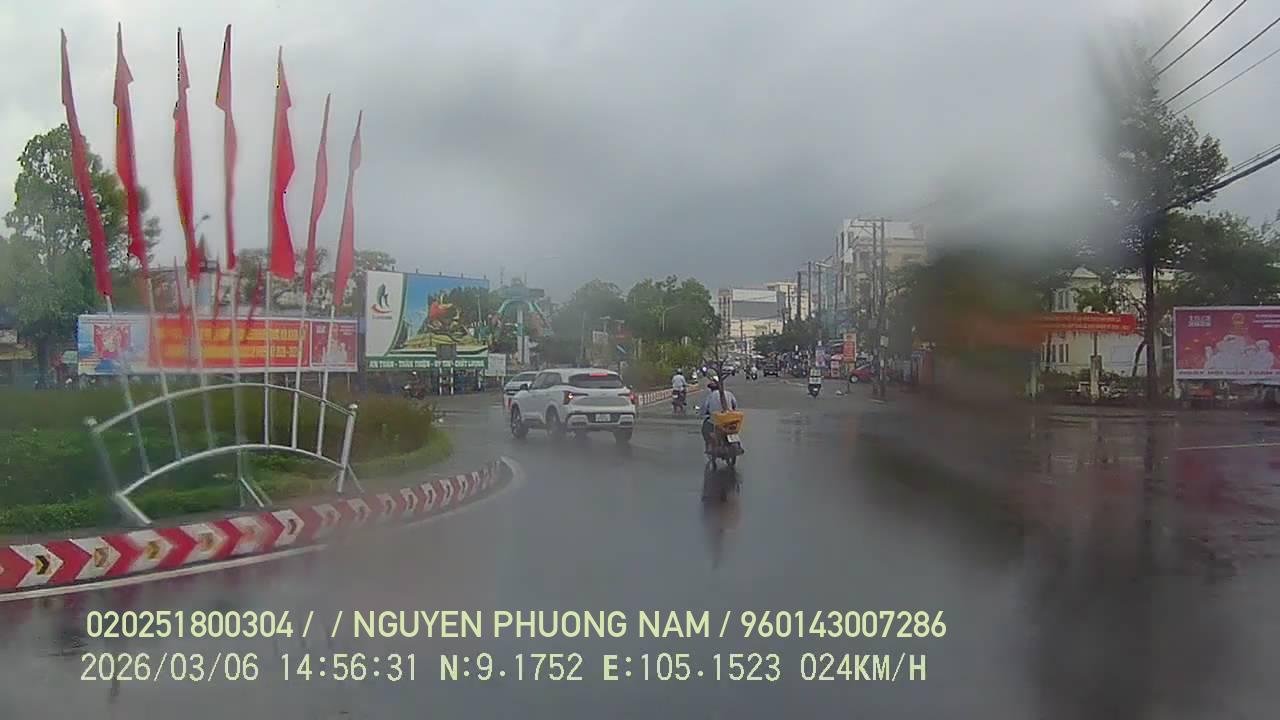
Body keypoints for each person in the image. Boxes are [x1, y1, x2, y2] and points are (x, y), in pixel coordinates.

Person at [701, 376, 738, 450]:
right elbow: (734, 405)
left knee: (705, 428)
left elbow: (705, 408)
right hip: (728, 419)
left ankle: (709, 444)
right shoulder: (729, 394)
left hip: (715, 420)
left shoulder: (710, 396)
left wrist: (703, 412)